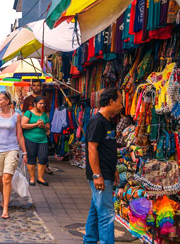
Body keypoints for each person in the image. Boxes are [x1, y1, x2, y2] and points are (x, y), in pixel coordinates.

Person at [83, 88, 123, 244]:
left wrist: (114, 171)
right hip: (100, 175)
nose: (122, 106)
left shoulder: (108, 122)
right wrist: (97, 175)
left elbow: (107, 149)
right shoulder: (97, 121)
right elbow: (91, 148)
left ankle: (90, 240)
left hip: (106, 173)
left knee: (96, 211)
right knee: (106, 214)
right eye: (120, 101)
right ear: (111, 101)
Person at [0, 91, 27, 219]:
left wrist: (24, 152)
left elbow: (19, 135)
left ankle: (6, 208)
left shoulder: (16, 116)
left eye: (0, 100)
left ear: (7, 101)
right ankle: (5, 195)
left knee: (7, 178)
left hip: (12, 149)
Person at [21, 80, 53, 175]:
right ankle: (32, 169)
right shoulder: (27, 99)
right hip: (29, 131)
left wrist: (47, 126)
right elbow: (24, 114)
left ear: (41, 87)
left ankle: (43, 167)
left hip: (42, 131)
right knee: (31, 153)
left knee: (43, 153)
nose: (36, 87)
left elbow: (47, 114)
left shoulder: (45, 99)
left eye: (38, 85)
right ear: (31, 87)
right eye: (34, 85)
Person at [21, 96, 50, 186]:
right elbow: (23, 125)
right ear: (35, 104)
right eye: (40, 103)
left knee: (43, 158)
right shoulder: (28, 113)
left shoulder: (44, 114)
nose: (42, 105)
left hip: (42, 139)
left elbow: (48, 127)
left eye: (43, 104)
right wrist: (36, 124)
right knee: (31, 158)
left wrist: (44, 126)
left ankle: (40, 178)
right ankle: (32, 178)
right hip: (30, 138)